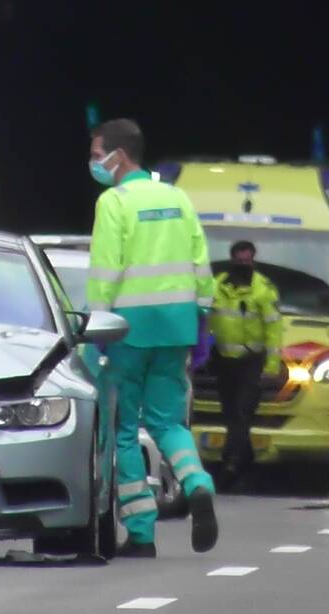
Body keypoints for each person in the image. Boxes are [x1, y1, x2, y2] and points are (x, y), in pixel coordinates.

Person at [86, 118, 219, 558]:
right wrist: (201, 318)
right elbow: (200, 261)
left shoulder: (114, 202)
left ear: (117, 156)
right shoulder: (178, 198)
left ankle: (141, 532)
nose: (93, 161)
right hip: (177, 326)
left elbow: (106, 268)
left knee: (123, 430)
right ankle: (197, 484)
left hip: (128, 329)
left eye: (96, 152)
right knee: (168, 422)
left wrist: (97, 327)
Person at [209, 240, 282, 491]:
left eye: (247, 260)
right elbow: (205, 318)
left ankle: (229, 465)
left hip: (251, 362)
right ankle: (247, 461)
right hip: (222, 361)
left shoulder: (263, 289)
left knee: (241, 413)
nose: (243, 264)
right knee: (231, 414)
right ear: (232, 260)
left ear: (254, 260)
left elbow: (274, 330)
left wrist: (272, 366)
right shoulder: (217, 285)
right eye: (239, 260)